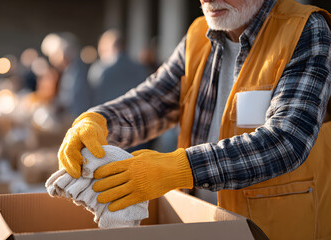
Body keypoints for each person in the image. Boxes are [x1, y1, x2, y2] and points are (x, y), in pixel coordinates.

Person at [56, 0, 331, 238]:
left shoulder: (305, 30)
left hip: (271, 230)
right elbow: (153, 101)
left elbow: (286, 140)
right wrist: (98, 121)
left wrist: (179, 168)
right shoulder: (199, 35)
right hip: (203, 221)